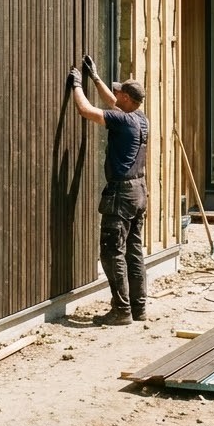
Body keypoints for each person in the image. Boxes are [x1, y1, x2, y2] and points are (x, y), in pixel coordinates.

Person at [66, 54, 149, 326]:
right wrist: (96, 78)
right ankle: (138, 308)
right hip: (139, 192)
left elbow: (86, 111)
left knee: (111, 251)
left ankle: (121, 310)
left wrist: (77, 85)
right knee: (133, 250)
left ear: (127, 98)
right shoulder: (140, 118)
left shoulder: (123, 121)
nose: (115, 94)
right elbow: (114, 104)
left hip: (122, 195)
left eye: (119, 92)